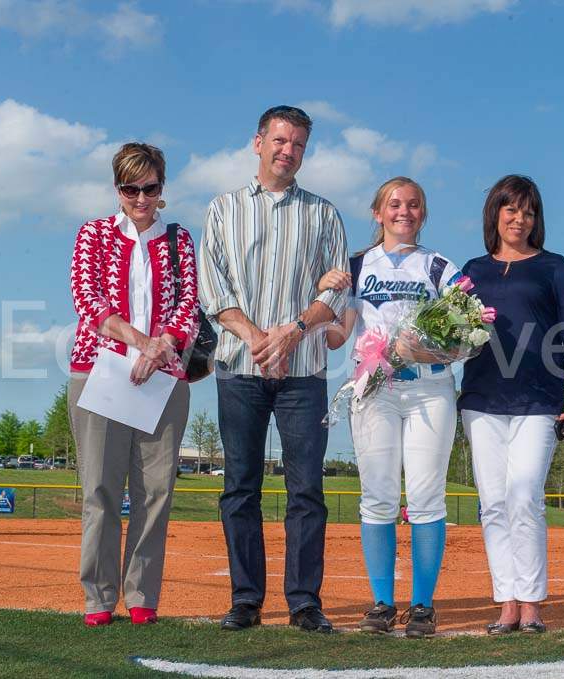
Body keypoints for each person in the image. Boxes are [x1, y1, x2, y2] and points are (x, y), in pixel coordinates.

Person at [197, 105, 349, 634]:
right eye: (281, 140)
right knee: (240, 487)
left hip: (304, 370)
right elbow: (212, 288)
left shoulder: (324, 214)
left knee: (306, 489)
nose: (289, 151)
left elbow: (337, 288)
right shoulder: (223, 209)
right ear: (258, 142)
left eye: (299, 144)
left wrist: (293, 331)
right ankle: (246, 599)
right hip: (239, 367)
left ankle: (305, 602)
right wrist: (258, 338)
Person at [317, 176, 461, 638]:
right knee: (377, 496)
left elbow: (467, 338)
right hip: (374, 387)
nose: (405, 211)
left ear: (424, 213)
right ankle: (381, 603)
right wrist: (323, 296)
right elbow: (339, 335)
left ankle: (422, 606)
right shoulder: (357, 266)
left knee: (424, 496)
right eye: (394, 204)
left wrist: (430, 351)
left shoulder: (439, 267)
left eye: (414, 204)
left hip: (429, 390)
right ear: (377, 213)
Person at [458, 175, 564, 634]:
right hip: (482, 400)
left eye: (529, 212)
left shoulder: (553, 266)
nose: (520, 219)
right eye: (511, 209)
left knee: (525, 495)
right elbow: (452, 335)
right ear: (495, 213)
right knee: (494, 503)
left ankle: (533, 602)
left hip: (538, 399)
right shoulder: (473, 271)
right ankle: (507, 603)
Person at [68, 142, 198, 626]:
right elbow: (88, 299)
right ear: (117, 187)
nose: (141, 198)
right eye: (130, 188)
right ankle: (98, 598)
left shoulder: (180, 239)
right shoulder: (93, 234)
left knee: (155, 493)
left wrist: (161, 347)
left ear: (162, 188)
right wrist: (142, 343)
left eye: (151, 188)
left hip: (162, 380)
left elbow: (189, 302)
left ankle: (142, 593)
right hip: (99, 374)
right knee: (99, 489)